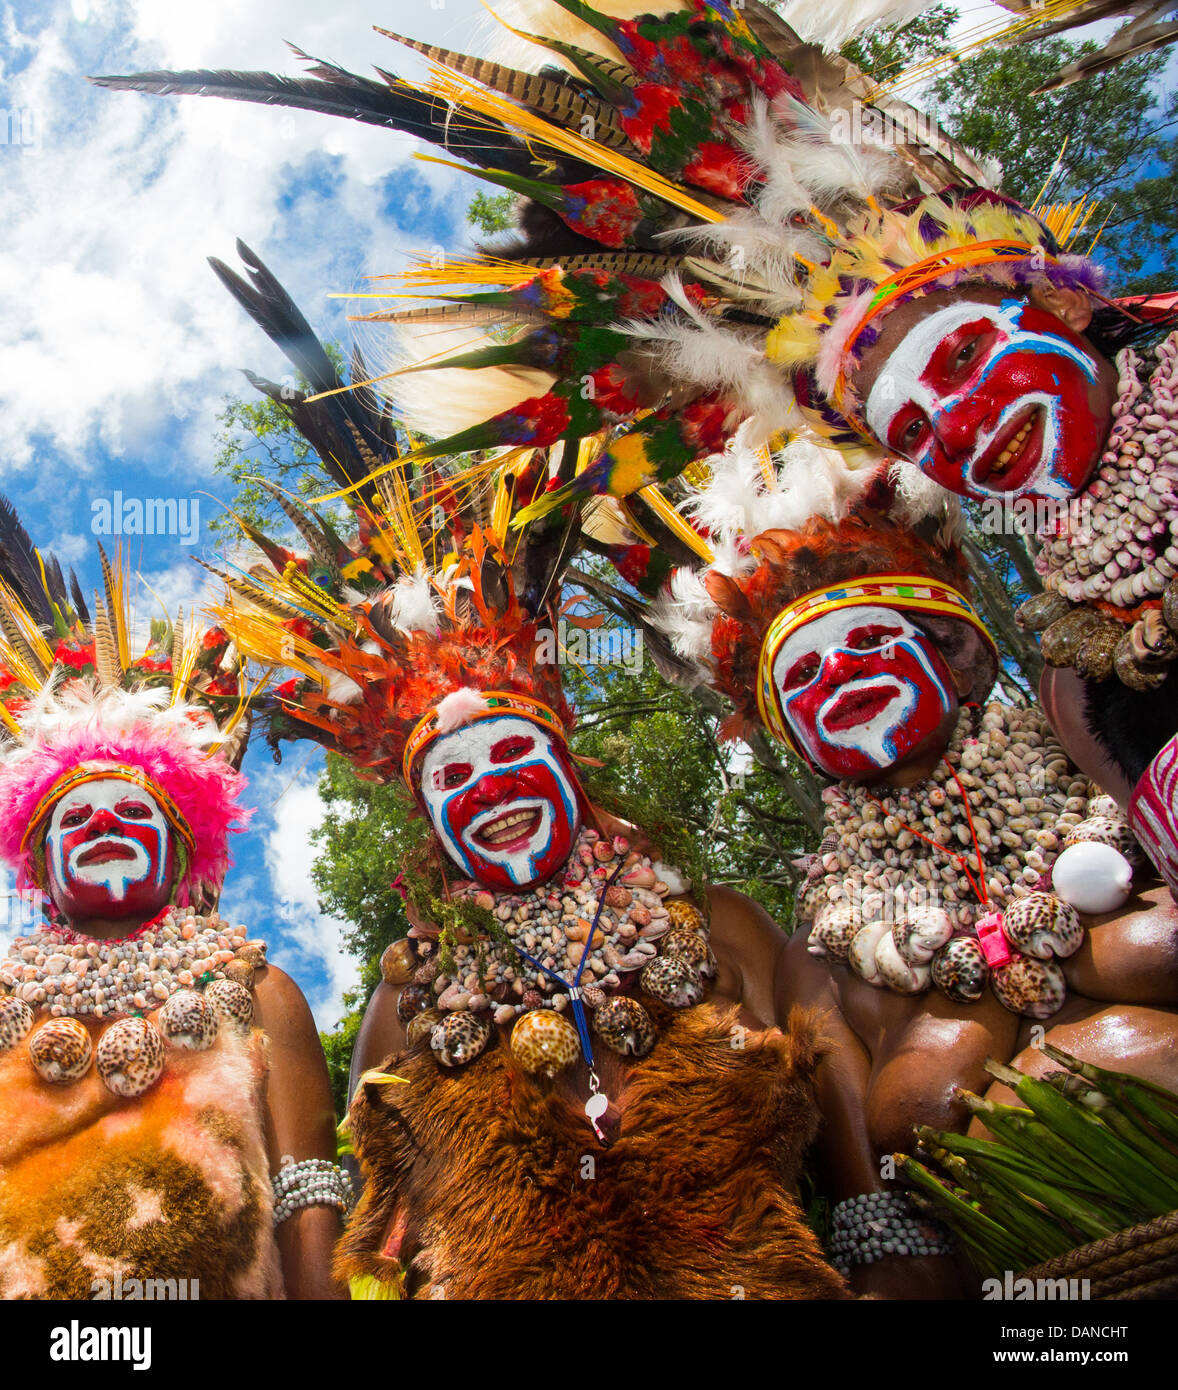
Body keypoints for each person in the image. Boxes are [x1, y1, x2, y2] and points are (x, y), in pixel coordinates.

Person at [643, 439, 1178, 1296]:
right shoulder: (822, 952)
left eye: (865, 640)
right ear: (795, 736)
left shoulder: (1105, 763)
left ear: (952, 653)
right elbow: (880, 1225)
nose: (840, 674)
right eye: (805, 673)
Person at [0, 523, 346, 1299]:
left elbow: (308, 1197)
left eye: (131, 812)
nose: (102, 827)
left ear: (184, 849)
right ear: (41, 864)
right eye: (76, 818)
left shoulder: (259, 993)